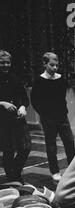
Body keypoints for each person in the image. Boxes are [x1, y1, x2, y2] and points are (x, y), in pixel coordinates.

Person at [31, 52, 75, 182]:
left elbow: (62, 97)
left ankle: (73, 168)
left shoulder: (60, 79)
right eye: (52, 65)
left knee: (69, 142)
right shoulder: (39, 80)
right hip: (48, 118)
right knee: (51, 145)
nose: (55, 68)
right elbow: (35, 100)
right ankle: (54, 171)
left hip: (62, 116)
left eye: (56, 65)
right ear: (45, 64)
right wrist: (44, 114)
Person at [0, 50, 31, 183]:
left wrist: (23, 106)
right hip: (3, 119)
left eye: (8, 62)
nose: (6, 65)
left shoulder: (15, 78)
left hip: (17, 118)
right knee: (8, 150)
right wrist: (2, 103)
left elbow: (24, 98)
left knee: (25, 147)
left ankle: (15, 172)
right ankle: (12, 178)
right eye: (2, 62)